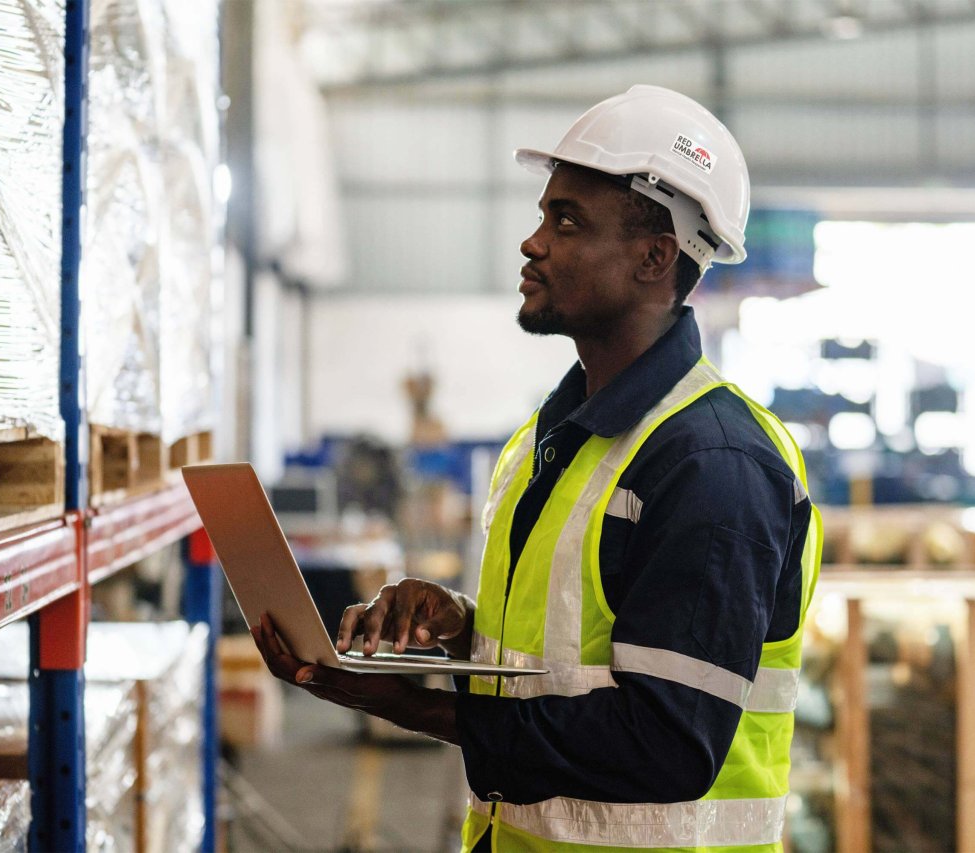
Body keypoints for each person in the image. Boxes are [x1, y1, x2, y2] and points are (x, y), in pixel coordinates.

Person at [254, 84, 824, 852]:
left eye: (567, 221)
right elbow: (566, 656)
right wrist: (458, 630)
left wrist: (410, 705)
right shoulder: (554, 436)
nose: (533, 242)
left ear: (655, 257)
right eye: (543, 215)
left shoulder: (713, 464)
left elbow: (667, 741)